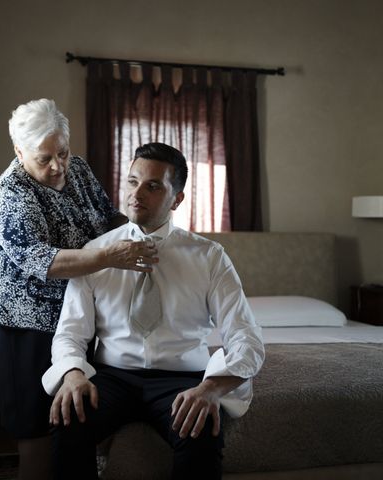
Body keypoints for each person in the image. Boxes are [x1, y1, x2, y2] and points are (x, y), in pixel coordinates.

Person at [42, 142, 265, 480]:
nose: (137, 193)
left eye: (153, 186)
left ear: (177, 199)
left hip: (182, 378)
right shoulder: (95, 253)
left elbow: (245, 336)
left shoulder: (209, 257)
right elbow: (71, 332)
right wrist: (73, 374)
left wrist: (211, 389)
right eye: (132, 182)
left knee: (203, 428)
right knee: (68, 417)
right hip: (114, 376)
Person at [0, 99, 158, 480]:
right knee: (37, 429)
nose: (58, 165)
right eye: (45, 158)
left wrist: (140, 231)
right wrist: (112, 256)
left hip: (76, 316)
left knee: (75, 417)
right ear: (19, 152)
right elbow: (47, 262)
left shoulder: (76, 169)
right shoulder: (10, 198)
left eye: (63, 152)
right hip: (25, 324)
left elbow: (107, 216)